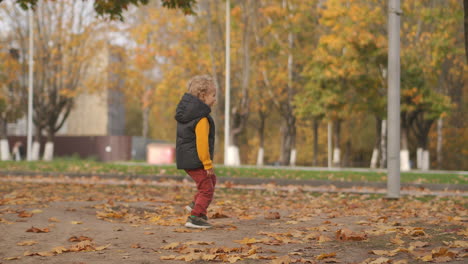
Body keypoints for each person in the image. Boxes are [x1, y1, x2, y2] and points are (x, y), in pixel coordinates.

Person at [175, 75, 217, 229]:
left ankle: (196, 205)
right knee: (207, 188)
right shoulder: (201, 119)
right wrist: (207, 163)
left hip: (187, 157)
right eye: (213, 95)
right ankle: (195, 217)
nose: (214, 99)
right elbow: (202, 144)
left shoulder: (189, 114)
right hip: (196, 159)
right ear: (203, 96)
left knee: (211, 181)